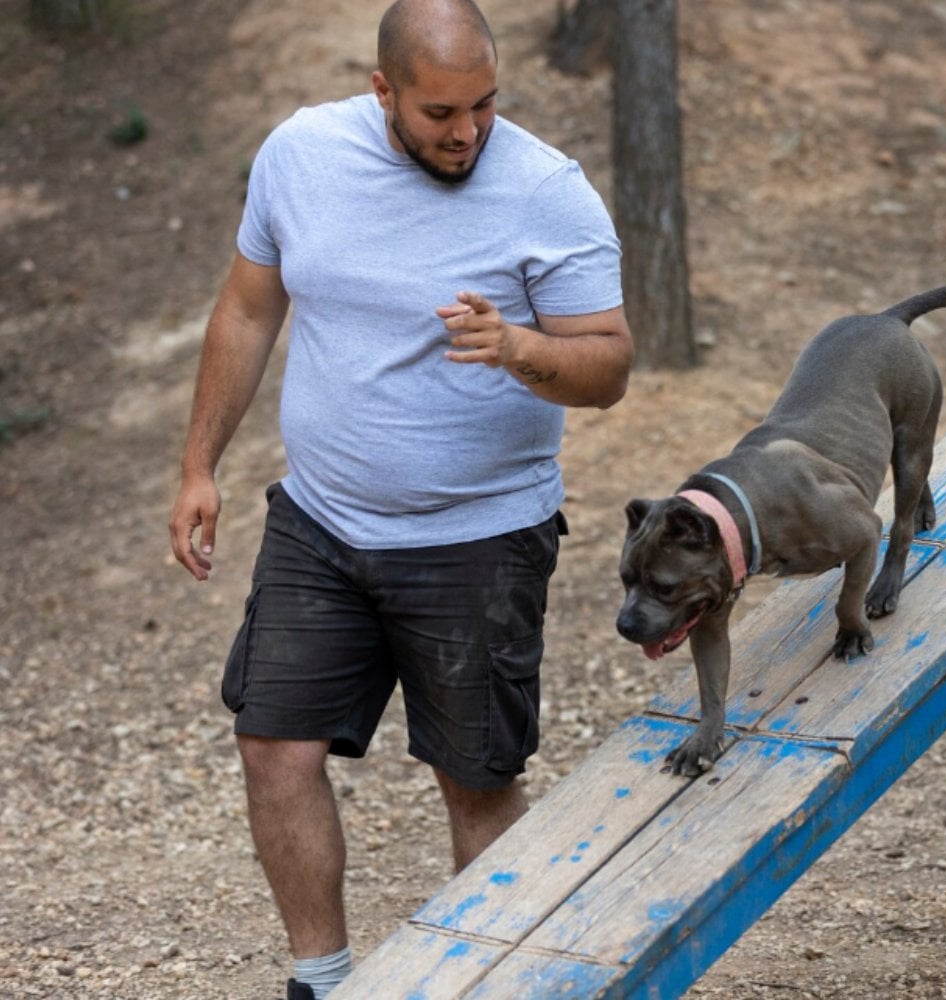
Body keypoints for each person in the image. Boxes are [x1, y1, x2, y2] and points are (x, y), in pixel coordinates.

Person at [166, 1, 632, 996]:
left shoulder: (546, 190)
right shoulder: (300, 155)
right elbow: (250, 308)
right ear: (383, 91)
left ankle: (493, 984)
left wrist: (518, 347)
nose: (467, 131)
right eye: (439, 113)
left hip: (481, 537)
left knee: (476, 784)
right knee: (273, 748)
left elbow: (608, 367)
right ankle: (323, 979)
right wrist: (199, 464)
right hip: (321, 519)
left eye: (485, 105)